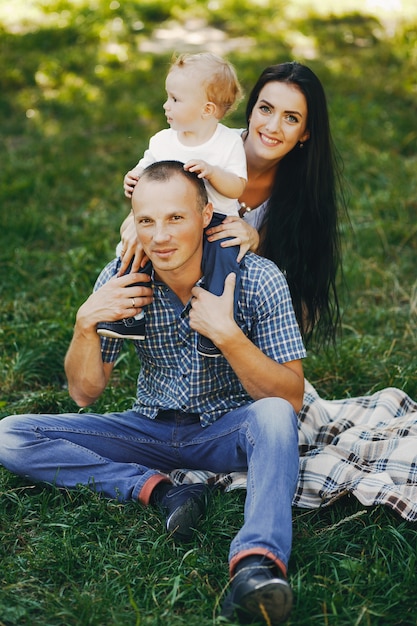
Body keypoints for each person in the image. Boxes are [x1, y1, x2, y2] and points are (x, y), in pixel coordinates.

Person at [0, 161, 306, 625]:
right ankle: (162, 493)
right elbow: (84, 394)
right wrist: (85, 324)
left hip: (228, 431)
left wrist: (228, 335)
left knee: (275, 418)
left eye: (175, 218)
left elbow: (292, 398)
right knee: (10, 434)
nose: (160, 236)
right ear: (133, 222)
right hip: (149, 431)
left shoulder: (258, 278)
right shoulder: (123, 276)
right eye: (147, 221)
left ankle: (256, 568)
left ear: (205, 217)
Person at [120, 61, 343, 347]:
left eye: (291, 118)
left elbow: (285, 277)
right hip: (175, 299)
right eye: (266, 109)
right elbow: (157, 193)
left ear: (305, 133)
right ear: (250, 111)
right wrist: (134, 223)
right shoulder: (210, 146)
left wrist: (255, 239)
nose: (272, 126)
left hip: (237, 320)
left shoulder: (303, 192)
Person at [97, 52, 247, 358]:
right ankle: (131, 316)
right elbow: (146, 171)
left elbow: (238, 186)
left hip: (216, 221)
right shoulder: (163, 140)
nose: (166, 105)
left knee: (224, 264)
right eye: (168, 97)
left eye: (175, 100)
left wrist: (213, 172)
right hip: (170, 220)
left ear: (206, 109)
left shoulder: (228, 143)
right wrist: (134, 178)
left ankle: (216, 326)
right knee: (132, 254)